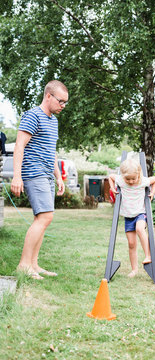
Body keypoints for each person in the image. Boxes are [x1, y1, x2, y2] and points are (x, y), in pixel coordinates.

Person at [11, 80, 68, 280]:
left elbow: (51, 151)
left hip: (46, 174)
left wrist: (58, 176)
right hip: (33, 173)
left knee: (42, 219)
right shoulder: (32, 116)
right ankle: (23, 265)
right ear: (48, 96)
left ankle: (34, 265)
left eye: (65, 103)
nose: (63, 106)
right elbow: (19, 146)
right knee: (45, 217)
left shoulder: (53, 121)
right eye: (61, 101)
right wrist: (17, 176)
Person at [109, 158, 155, 278]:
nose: (131, 181)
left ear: (139, 175)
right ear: (123, 176)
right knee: (131, 244)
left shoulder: (142, 181)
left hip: (140, 213)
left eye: (133, 178)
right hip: (128, 216)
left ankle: (148, 255)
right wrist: (112, 188)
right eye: (128, 179)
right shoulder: (121, 181)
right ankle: (134, 269)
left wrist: (152, 193)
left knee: (140, 229)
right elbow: (110, 176)